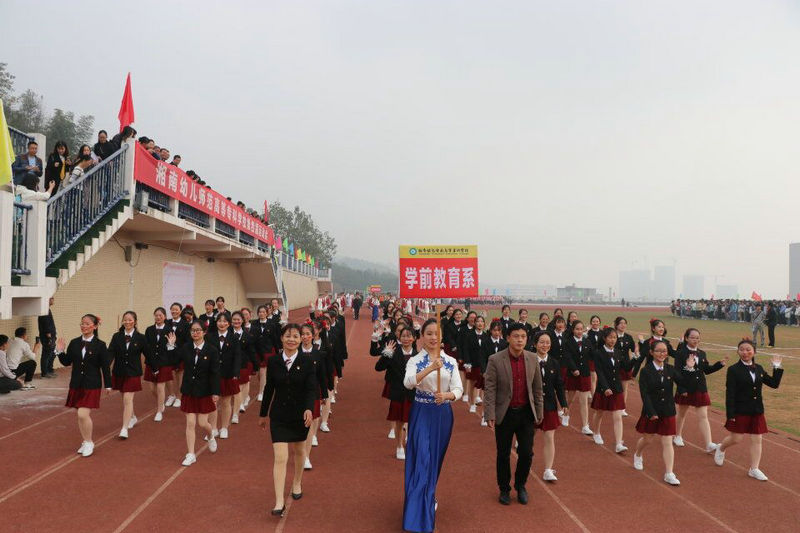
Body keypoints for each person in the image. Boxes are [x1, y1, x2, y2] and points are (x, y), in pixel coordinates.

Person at [402, 319, 463, 531]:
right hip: (421, 412)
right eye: (428, 334)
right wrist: (429, 369)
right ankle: (418, 514)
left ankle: (429, 496)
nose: (433, 338)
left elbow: (458, 389)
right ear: (422, 337)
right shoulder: (415, 360)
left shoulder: (451, 362)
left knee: (435, 460)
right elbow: (408, 382)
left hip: (443, 414)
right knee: (423, 460)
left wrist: (446, 395)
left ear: (441, 337)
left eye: (436, 334)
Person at [259, 323, 316, 517]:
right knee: (281, 457)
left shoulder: (308, 362)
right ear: (282, 338)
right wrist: (262, 413)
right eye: (288, 336)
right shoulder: (274, 361)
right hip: (279, 416)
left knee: (299, 451)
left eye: (296, 336)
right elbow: (269, 388)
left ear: (302, 339)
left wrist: (309, 408)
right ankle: (279, 501)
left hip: (300, 415)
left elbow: (311, 388)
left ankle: (297, 482)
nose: (291, 339)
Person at [483, 323, 543, 506]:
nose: (519, 340)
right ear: (508, 338)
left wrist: (539, 413)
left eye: (523, 336)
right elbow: (490, 389)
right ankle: (504, 488)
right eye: (516, 336)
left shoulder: (533, 359)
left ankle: (521, 485)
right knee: (503, 454)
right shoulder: (495, 359)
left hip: (526, 414)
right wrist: (489, 414)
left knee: (526, 453)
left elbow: (537, 388)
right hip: (505, 413)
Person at [714, 339, 783, 481]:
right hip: (740, 409)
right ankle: (721, 448)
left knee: (757, 439)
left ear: (754, 352)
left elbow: (774, 384)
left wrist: (776, 367)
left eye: (748, 349)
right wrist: (730, 414)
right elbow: (730, 393)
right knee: (736, 438)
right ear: (738, 351)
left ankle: (754, 468)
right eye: (742, 349)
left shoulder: (759, 368)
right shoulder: (733, 370)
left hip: (756, 409)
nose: (745, 352)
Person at [55, 314, 112, 458]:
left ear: (95, 326)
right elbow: (67, 362)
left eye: (87, 324)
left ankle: (89, 441)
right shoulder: (74, 343)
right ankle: (85, 441)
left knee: (83, 414)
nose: (84, 326)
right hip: (76, 384)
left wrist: (108, 385)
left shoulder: (100, 345)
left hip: (92, 384)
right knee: (80, 416)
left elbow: (105, 367)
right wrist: (60, 351)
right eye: (82, 323)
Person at [632, 340, 688, 486]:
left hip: (668, 410)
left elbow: (682, 383)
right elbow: (644, 394)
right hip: (651, 410)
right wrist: (651, 412)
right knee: (648, 439)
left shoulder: (670, 369)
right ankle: (638, 454)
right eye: (658, 351)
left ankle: (669, 473)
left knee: (667, 441)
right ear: (651, 352)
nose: (662, 354)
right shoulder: (646, 371)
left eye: (664, 351)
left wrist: (689, 368)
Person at [169, 320, 219, 466]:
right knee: (190, 423)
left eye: (198, 330)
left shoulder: (212, 350)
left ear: (204, 332)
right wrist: (171, 345)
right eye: (193, 330)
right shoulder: (186, 348)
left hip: (205, 391)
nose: (195, 333)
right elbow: (174, 362)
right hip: (189, 390)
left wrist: (215, 392)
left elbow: (215, 373)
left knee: (203, 423)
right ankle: (191, 454)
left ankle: (211, 435)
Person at [673, 328, 727, 451]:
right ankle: (677, 435)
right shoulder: (680, 353)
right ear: (686, 338)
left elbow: (706, 370)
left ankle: (709, 444)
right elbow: (676, 372)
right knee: (682, 413)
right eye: (692, 337)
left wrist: (719, 364)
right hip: (686, 387)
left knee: (703, 416)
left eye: (697, 338)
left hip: (700, 387)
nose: (695, 340)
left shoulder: (702, 353)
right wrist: (681, 388)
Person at [590, 328, 638, 452]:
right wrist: (605, 387)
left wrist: (634, 358)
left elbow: (626, 368)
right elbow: (599, 372)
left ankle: (618, 444)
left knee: (617, 416)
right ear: (605, 338)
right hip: (603, 388)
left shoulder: (618, 352)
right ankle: (596, 433)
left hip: (616, 388)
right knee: (599, 413)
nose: (613, 340)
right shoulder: (598, 353)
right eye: (610, 337)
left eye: (615, 338)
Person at [376, 325, 416, 460]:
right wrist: (386, 354)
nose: (406, 338)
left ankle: (410, 443)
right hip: (398, 393)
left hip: (413, 394)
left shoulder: (418, 355)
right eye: (403, 336)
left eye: (409, 336)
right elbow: (378, 368)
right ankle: (399, 446)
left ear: (414, 338)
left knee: (412, 421)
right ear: (399, 337)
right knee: (399, 422)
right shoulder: (393, 351)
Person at [532, 331, 567, 482]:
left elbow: (559, 385)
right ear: (535, 344)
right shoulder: (528, 361)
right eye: (541, 342)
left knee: (549, 437)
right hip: (531, 405)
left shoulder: (554, 363)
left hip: (550, 405)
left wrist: (563, 403)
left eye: (547, 342)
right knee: (528, 436)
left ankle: (548, 470)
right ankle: (525, 459)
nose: (545, 345)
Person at [108, 311, 147, 439]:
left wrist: (156, 368)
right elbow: (110, 353)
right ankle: (133, 417)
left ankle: (124, 428)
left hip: (133, 372)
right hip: (119, 372)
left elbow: (149, 354)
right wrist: (104, 366)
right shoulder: (116, 336)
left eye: (130, 320)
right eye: (125, 320)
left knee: (127, 399)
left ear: (135, 322)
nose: (127, 322)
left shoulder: (140, 338)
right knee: (124, 398)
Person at [300, 321, 330, 469]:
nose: (304, 337)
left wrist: (324, 394)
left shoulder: (318, 353)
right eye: (302, 334)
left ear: (313, 335)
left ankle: (306, 457)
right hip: (296, 393)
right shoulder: (294, 351)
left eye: (307, 334)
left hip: (313, 392)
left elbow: (322, 375)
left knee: (311, 423)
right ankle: (299, 452)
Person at [208, 313, 241, 440]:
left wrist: (236, 372)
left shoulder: (234, 338)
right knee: (213, 402)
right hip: (214, 374)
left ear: (229, 323)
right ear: (216, 323)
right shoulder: (210, 337)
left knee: (226, 402)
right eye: (219, 321)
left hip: (228, 374)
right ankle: (213, 428)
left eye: (225, 321)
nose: (222, 324)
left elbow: (237, 356)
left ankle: (224, 428)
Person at [144, 307, 175, 422]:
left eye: (160, 315)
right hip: (151, 362)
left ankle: (159, 411)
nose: (158, 317)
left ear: (165, 317)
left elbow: (171, 349)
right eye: (156, 315)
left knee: (160, 387)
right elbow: (146, 347)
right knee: (152, 389)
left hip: (164, 362)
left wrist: (171, 344)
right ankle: (161, 403)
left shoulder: (169, 329)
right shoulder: (149, 330)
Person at [563, 320, 593, 435]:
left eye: (581, 329)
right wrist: (573, 368)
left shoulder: (587, 342)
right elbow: (567, 357)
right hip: (573, 374)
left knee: (584, 400)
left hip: (585, 374)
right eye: (577, 329)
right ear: (573, 330)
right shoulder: (568, 342)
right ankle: (566, 414)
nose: (579, 331)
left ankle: (585, 425)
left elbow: (592, 355)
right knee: (570, 398)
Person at [231, 311, 256, 423]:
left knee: (241, 386)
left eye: (238, 319)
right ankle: (239, 404)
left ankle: (235, 413)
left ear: (242, 321)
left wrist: (255, 365)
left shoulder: (247, 335)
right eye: (234, 319)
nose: (236, 321)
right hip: (229, 364)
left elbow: (251, 351)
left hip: (243, 364)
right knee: (233, 389)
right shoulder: (226, 334)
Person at [37, 297, 58, 378]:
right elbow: (46, 325)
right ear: (47, 300)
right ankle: (45, 373)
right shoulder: (44, 311)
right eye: (51, 298)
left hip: (51, 336)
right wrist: (49, 338)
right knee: (46, 354)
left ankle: (49, 370)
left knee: (52, 354)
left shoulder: (46, 309)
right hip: (47, 337)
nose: (53, 300)